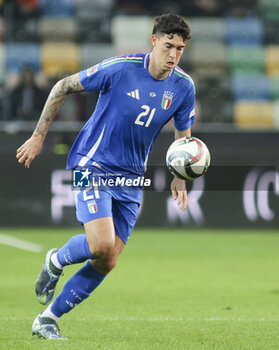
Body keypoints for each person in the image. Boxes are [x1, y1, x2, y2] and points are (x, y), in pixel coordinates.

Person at [16, 13, 196, 340]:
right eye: (168, 45)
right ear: (153, 41)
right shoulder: (120, 68)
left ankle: (47, 319)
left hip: (130, 178)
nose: (173, 55)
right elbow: (62, 86)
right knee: (101, 243)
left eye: (180, 49)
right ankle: (55, 260)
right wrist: (39, 136)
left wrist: (179, 176)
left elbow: (183, 139)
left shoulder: (183, 87)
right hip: (92, 165)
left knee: (108, 259)